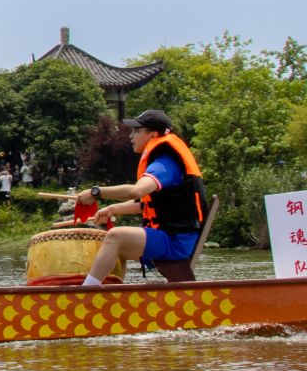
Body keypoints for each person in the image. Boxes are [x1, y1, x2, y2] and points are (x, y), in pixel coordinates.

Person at [51, 109, 208, 285]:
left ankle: (86, 293)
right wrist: (112, 209)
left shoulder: (165, 165)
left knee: (115, 236)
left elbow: (136, 191)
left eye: (136, 131)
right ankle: (116, 294)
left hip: (175, 242)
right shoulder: (163, 161)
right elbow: (144, 203)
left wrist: (96, 192)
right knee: (117, 247)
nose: (131, 136)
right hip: (171, 238)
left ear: (153, 134)